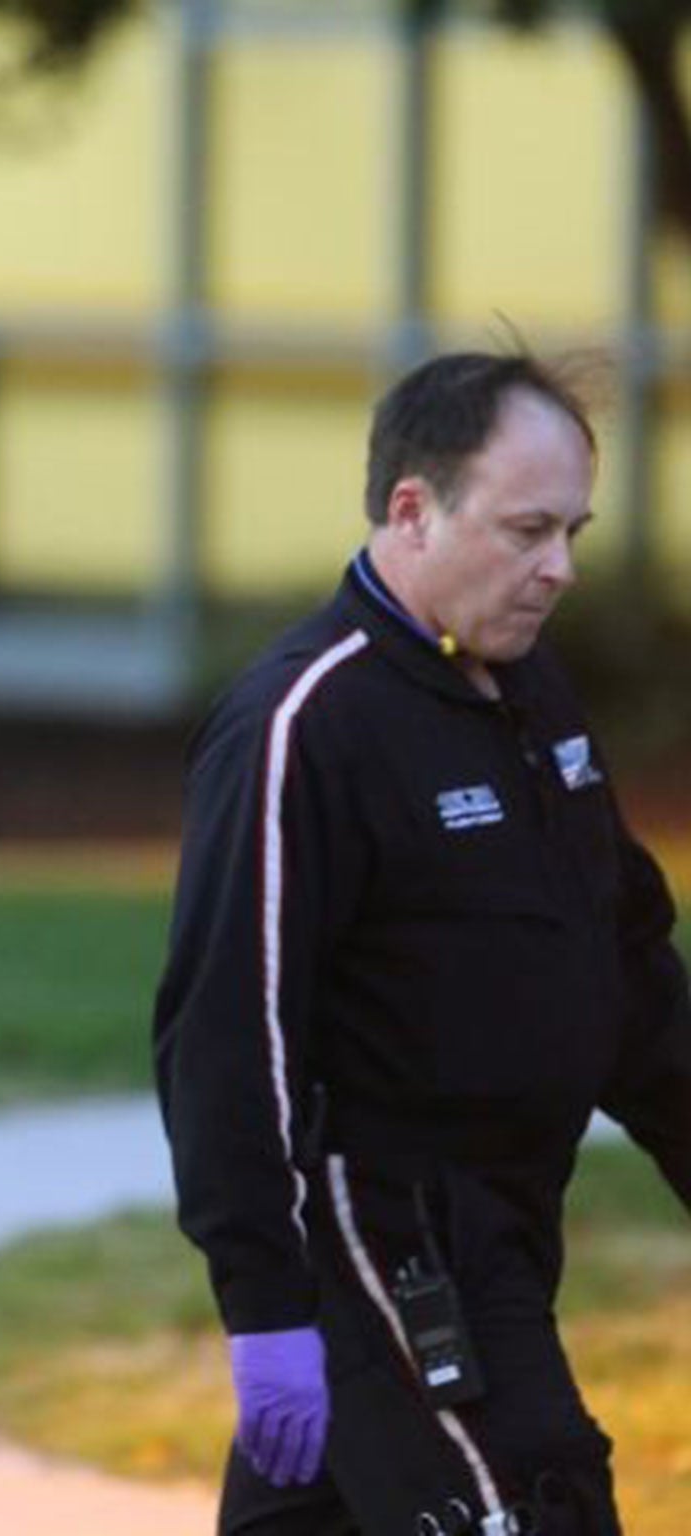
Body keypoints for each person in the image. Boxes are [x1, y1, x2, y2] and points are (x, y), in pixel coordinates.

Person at [154, 350, 691, 1535]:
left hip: (507, 1219)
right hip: (380, 1237)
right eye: (525, 529)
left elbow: (623, 964)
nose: (557, 567)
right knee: (530, 1494)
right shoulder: (306, 723)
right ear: (412, 508)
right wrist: (262, 1307)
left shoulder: (528, 694)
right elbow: (223, 1036)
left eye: (572, 531)